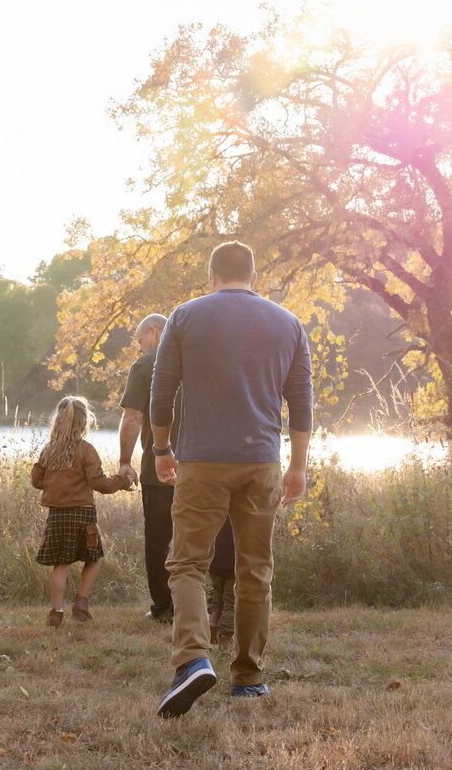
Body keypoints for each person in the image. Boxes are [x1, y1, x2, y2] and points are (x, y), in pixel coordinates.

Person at [150, 241, 312, 718]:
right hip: (262, 461)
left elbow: (162, 391)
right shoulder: (288, 323)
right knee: (254, 568)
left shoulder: (185, 316)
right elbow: (300, 403)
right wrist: (297, 465)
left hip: (201, 461)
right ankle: (248, 678)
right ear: (254, 277)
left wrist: (162, 448)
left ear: (212, 275)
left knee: (186, 565)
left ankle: (193, 659)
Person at [31, 396, 132, 627]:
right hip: (83, 515)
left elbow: (37, 480)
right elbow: (100, 484)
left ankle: (56, 612)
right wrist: (122, 480)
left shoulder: (49, 450)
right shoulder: (86, 450)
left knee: (61, 564)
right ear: (83, 423)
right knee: (93, 558)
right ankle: (81, 603)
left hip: (57, 515)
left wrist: (57, 483)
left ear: (57, 422)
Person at [117, 313, 178, 625]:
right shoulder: (194, 358)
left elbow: (131, 419)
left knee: (158, 540)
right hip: (200, 468)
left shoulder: (145, 365)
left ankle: (164, 608)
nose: (139, 350)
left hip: (158, 468)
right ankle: (205, 604)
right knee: (198, 539)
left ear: (154, 332)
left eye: (140, 342)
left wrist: (125, 462)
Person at [207, 517, 236, 653]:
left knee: (217, 590)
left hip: (215, 558)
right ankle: (225, 638)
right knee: (231, 600)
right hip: (234, 563)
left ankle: (212, 618)